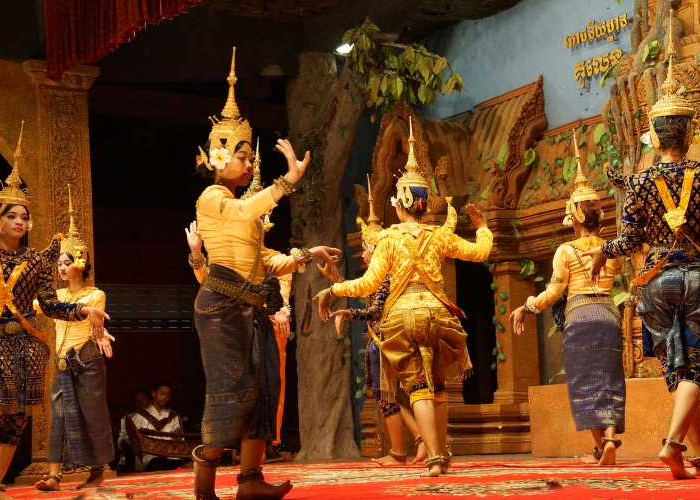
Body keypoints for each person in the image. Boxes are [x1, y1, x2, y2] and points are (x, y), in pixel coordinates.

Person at [583, 20, 700, 480]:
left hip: (656, 282)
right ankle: (672, 443)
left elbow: (628, 241)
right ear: (688, 130)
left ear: (654, 132)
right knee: (697, 365)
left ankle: (694, 455)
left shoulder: (639, 182)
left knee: (679, 364)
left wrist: (605, 250)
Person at [190, 48, 340, 500]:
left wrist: (305, 254)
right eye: (241, 155)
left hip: (250, 306)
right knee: (232, 391)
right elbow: (242, 213)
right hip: (220, 309)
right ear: (217, 158)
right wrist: (286, 182)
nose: (249, 161)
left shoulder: (240, 208)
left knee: (263, 390)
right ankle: (203, 483)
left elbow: (264, 261)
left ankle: (250, 482)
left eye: (249, 155)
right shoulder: (213, 200)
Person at [315, 117, 492, 477]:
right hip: (439, 316)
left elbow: (367, 285)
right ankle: (440, 452)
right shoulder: (439, 236)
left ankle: (435, 459)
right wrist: (484, 227)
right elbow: (480, 252)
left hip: (401, 319)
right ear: (425, 205)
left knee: (420, 388)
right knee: (439, 388)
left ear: (399, 205)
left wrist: (333, 289)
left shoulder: (389, 239)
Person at [0, 123, 109, 500]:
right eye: (12, 216)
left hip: (27, 344)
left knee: (17, 417)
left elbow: (50, 304)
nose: (20, 222)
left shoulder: (36, 261)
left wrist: (84, 312)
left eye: (24, 217)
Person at [507, 131, 626, 466]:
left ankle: (601, 445)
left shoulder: (566, 250)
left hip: (580, 317)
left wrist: (526, 307)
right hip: (607, 312)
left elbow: (555, 291)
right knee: (610, 377)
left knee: (584, 381)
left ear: (573, 218)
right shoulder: (610, 249)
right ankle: (612, 437)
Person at [329, 177, 427, 466]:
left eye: (366, 247)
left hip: (386, 339)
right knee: (390, 397)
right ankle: (420, 439)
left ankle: (401, 451)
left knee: (390, 396)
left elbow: (376, 312)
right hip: (383, 338)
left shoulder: (383, 274)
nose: (363, 253)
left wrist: (349, 313)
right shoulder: (378, 275)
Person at [34, 187, 116, 492]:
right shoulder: (55, 297)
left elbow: (91, 321)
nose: (61, 268)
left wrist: (101, 332)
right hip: (62, 363)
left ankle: (97, 470)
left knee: (92, 414)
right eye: (59, 264)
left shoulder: (96, 295)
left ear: (80, 262)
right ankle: (55, 476)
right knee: (58, 415)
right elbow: (39, 305)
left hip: (86, 359)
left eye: (66, 263)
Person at [131, 381, 188, 472]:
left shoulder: (173, 416)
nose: (164, 397)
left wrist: (178, 436)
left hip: (171, 457)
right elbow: (132, 440)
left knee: (180, 463)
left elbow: (180, 442)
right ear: (154, 394)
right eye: (162, 394)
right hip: (149, 458)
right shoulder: (140, 416)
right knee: (158, 462)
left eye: (168, 395)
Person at [116, 388, 152, 471]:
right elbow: (121, 440)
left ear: (150, 401)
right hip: (134, 454)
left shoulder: (156, 417)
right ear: (133, 404)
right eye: (137, 400)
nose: (141, 403)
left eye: (144, 399)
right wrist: (131, 441)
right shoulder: (127, 419)